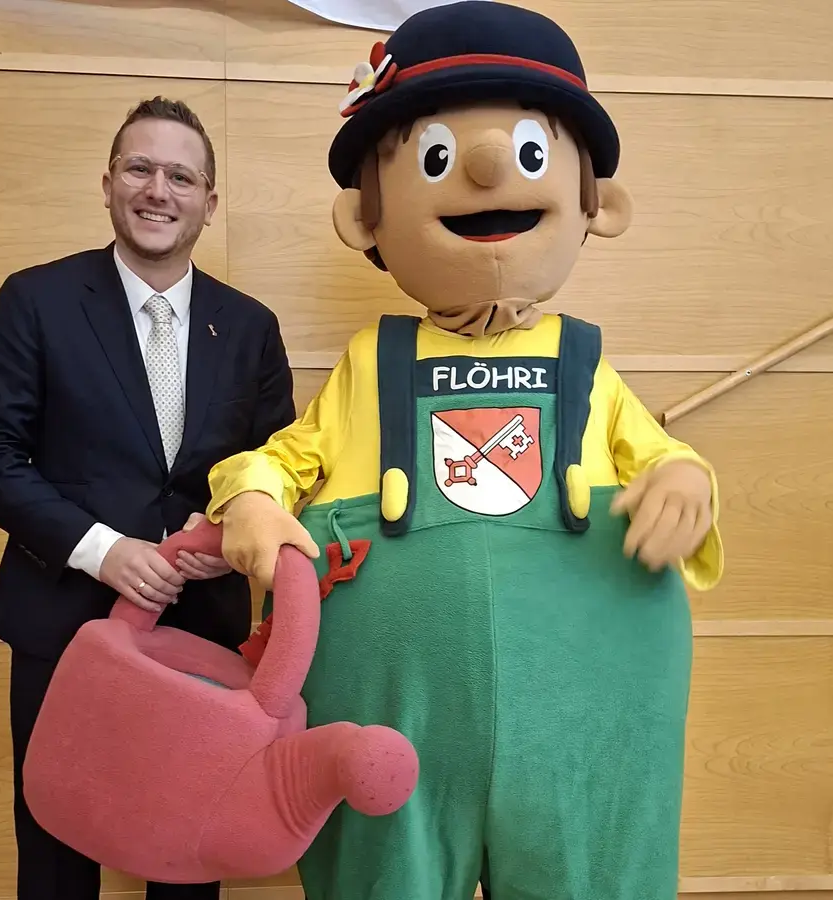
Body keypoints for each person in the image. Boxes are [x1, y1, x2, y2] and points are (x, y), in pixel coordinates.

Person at [203, 4, 724, 899]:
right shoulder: (371, 362)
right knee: (387, 869)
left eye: (529, 153)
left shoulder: (585, 362)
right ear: (365, 217)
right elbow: (282, 458)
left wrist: (683, 478)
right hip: (399, 707)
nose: (486, 168)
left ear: (597, 205)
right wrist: (250, 497)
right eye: (436, 158)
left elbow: (659, 454)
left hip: (579, 700)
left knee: (585, 866)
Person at [0, 96, 296, 900]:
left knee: (188, 851)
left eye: (181, 176)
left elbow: (277, 464)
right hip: (63, 624)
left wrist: (227, 536)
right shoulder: (35, 300)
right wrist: (102, 551)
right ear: (108, 183)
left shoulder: (251, 326)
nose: (157, 190)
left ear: (210, 202)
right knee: (56, 851)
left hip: (201, 633)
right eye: (140, 168)